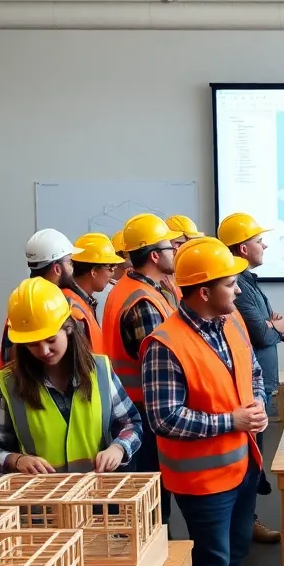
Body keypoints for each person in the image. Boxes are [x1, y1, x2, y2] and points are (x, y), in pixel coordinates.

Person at [140, 237, 266, 566]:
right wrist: (233, 420)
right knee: (212, 565)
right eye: (230, 284)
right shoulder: (165, 343)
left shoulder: (231, 323)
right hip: (204, 480)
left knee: (235, 554)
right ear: (205, 292)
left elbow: (253, 372)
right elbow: (164, 418)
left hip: (242, 466)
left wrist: (257, 400)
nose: (238, 289)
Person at [0, 277, 142, 475]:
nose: (44, 350)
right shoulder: (8, 383)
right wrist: (16, 460)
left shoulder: (100, 370)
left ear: (69, 328)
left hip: (97, 497)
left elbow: (131, 423)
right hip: (42, 501)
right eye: (32, 344)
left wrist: (118, 448)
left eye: (51, 340)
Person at [102, 213, 178, 523]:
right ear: (155, 255)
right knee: (153, 497)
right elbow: (158, 365)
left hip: (130, 404)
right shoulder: (143, 302)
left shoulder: (130, 288)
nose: (176, 249)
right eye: (170, 245)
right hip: (144, 408)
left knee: (145, 491)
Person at [221, 212, 284, 543]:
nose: (265, 245)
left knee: (252, 462)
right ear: (244, 248)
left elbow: (264, 326)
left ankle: (246, 521)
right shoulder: (240, 285)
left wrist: (273, 326)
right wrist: (277, 328)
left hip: (256, 388)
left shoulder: (246, 282)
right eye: (259, 241)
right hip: (247, 395)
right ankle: (246, 523)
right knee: (248, 464)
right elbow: (260, 332)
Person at [0, 229, 83, 369]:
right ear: (57, 269)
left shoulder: (22, 304)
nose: (72, 269)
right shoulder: (61, 306)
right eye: (70, 263)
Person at [67, 232, 124, 354]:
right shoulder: (72, 308)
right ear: (94, 272)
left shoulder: (81, 300)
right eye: (110, 267)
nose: (112, 273)